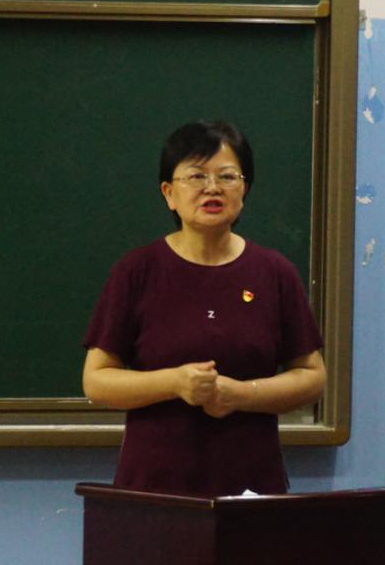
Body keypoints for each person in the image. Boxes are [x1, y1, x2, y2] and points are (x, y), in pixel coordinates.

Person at [81, 120, 326, 496]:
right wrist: (175, 383)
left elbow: (311, 376)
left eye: (227, 176)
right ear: (169, 193)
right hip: (154, 488)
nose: (212, 188)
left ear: (244, 189)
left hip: (252, 485)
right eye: (196, 176)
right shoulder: (136, 271)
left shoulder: (274, 272)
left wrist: (240, 394)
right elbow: (97, 381)